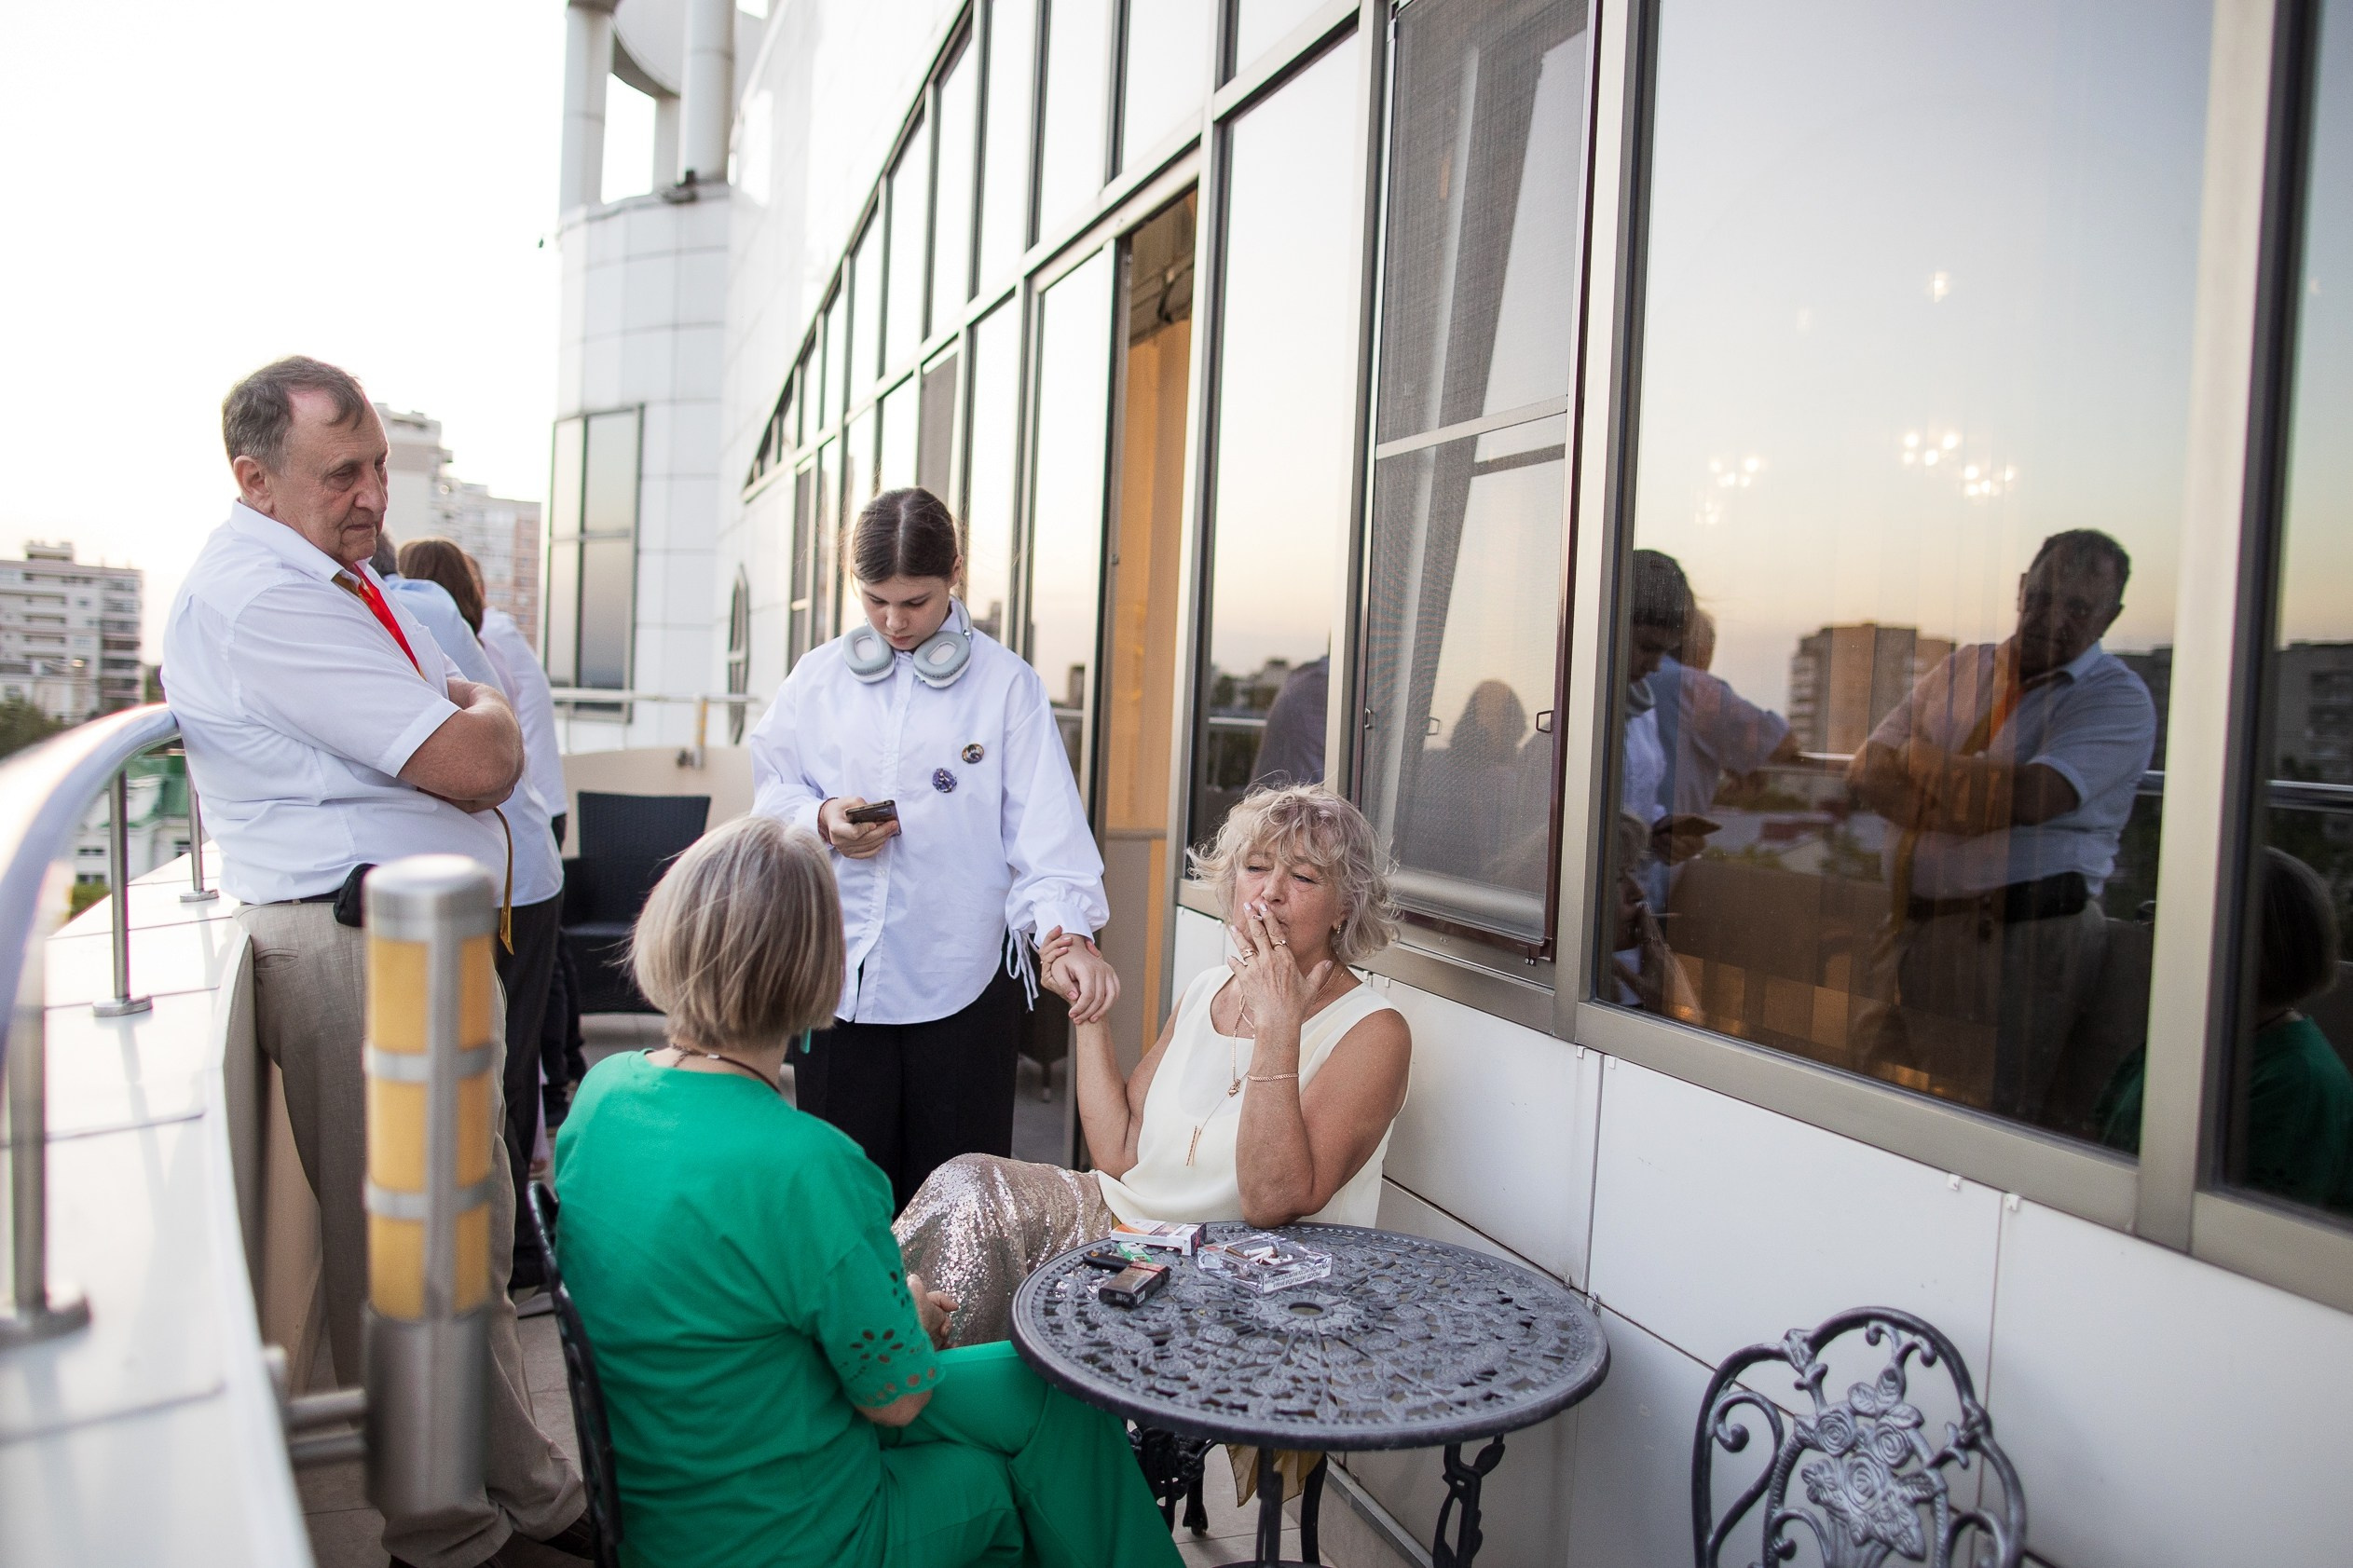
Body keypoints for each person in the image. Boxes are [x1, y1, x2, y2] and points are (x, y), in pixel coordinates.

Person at [163, 357, 587, 1568]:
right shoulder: (266, 598)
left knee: (466, 1235)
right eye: (339, 471)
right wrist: (490, 718)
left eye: (378, 466)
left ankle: (532, 1492)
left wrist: (477, 712)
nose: (369, 494)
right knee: (403, 1258)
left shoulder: (335, 580)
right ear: (255, 478)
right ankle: (445, 1535)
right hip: (351, 946)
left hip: (411, 940)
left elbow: (465, 722)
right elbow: (473, 757)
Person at [553, 814, 1180, 1568]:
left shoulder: (603, 1094)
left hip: (665, 1483)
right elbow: (896, 1397)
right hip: (783, 1529)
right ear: (819, 971)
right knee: (996, 1476)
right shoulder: (809, 1162)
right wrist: (911, 1313)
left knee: (1051, 1387)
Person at [896, 784, 1412, 1350]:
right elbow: (1119, 1154)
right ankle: (887, 1360)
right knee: (969, 1184)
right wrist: (1089, 1013)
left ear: (1345, 906)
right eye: (1256, 868)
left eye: (1305, 878)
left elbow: (1270, 1202)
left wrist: (1279, 1027)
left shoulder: (1373, 1031)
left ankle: (907, 1385)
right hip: (1122, 1225)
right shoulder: (1209, 988)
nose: (1270, 894)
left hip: (1219, 1270)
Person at [747, 486, 1118, 1211]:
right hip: (836, 986)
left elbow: (1047, 836)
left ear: (953, 573)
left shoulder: (1008, 686)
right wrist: (823, 817)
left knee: (959, 1210)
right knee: (839, 1204)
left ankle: (952, 1333)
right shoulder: (818, 677)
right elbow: (770, 792)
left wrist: (1065, 935)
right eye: (875, 600)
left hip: (964, 988)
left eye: (913, 601)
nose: (893, 621)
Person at [1849, 529, 2157, 1125]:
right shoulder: (1966, 665)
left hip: (2019, 945)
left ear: (2110, 617)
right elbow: (1864, 771)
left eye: (2077, 608)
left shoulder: (2117, 698)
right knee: (1873, 1104)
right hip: (1911, 931)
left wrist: (1922, 760)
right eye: (2041, 597)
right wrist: (1962, 805)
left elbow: (2031, 797)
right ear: (2020, 589)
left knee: (1978, 1123)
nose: (2051, 617)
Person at [398, 536, 569, 1287]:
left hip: (511, 876)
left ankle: (516, 1249)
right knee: (501, 1058)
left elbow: (485, 758)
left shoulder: (420, 612)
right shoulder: (450, 622)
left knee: (503, 1061)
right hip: (502, 866)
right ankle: (515, 1238)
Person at [2098, 849, 2353, 1213]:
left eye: (2184, 925)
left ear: (2242, 950)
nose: (2159, 939)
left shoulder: (2299, 1084)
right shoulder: (2190, 1039)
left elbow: (2252, 1234)